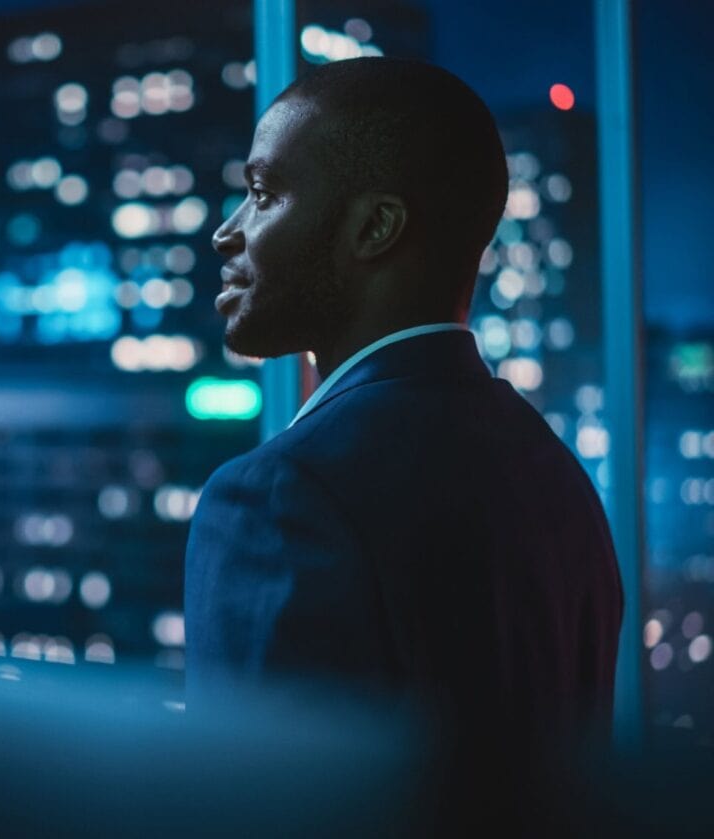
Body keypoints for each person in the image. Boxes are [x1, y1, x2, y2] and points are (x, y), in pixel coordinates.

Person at [183, 57, 623, 742]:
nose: (226, 232)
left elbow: (244, 790)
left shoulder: (280, 498)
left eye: (264, 195)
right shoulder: (558, 478)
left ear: (375, 228)